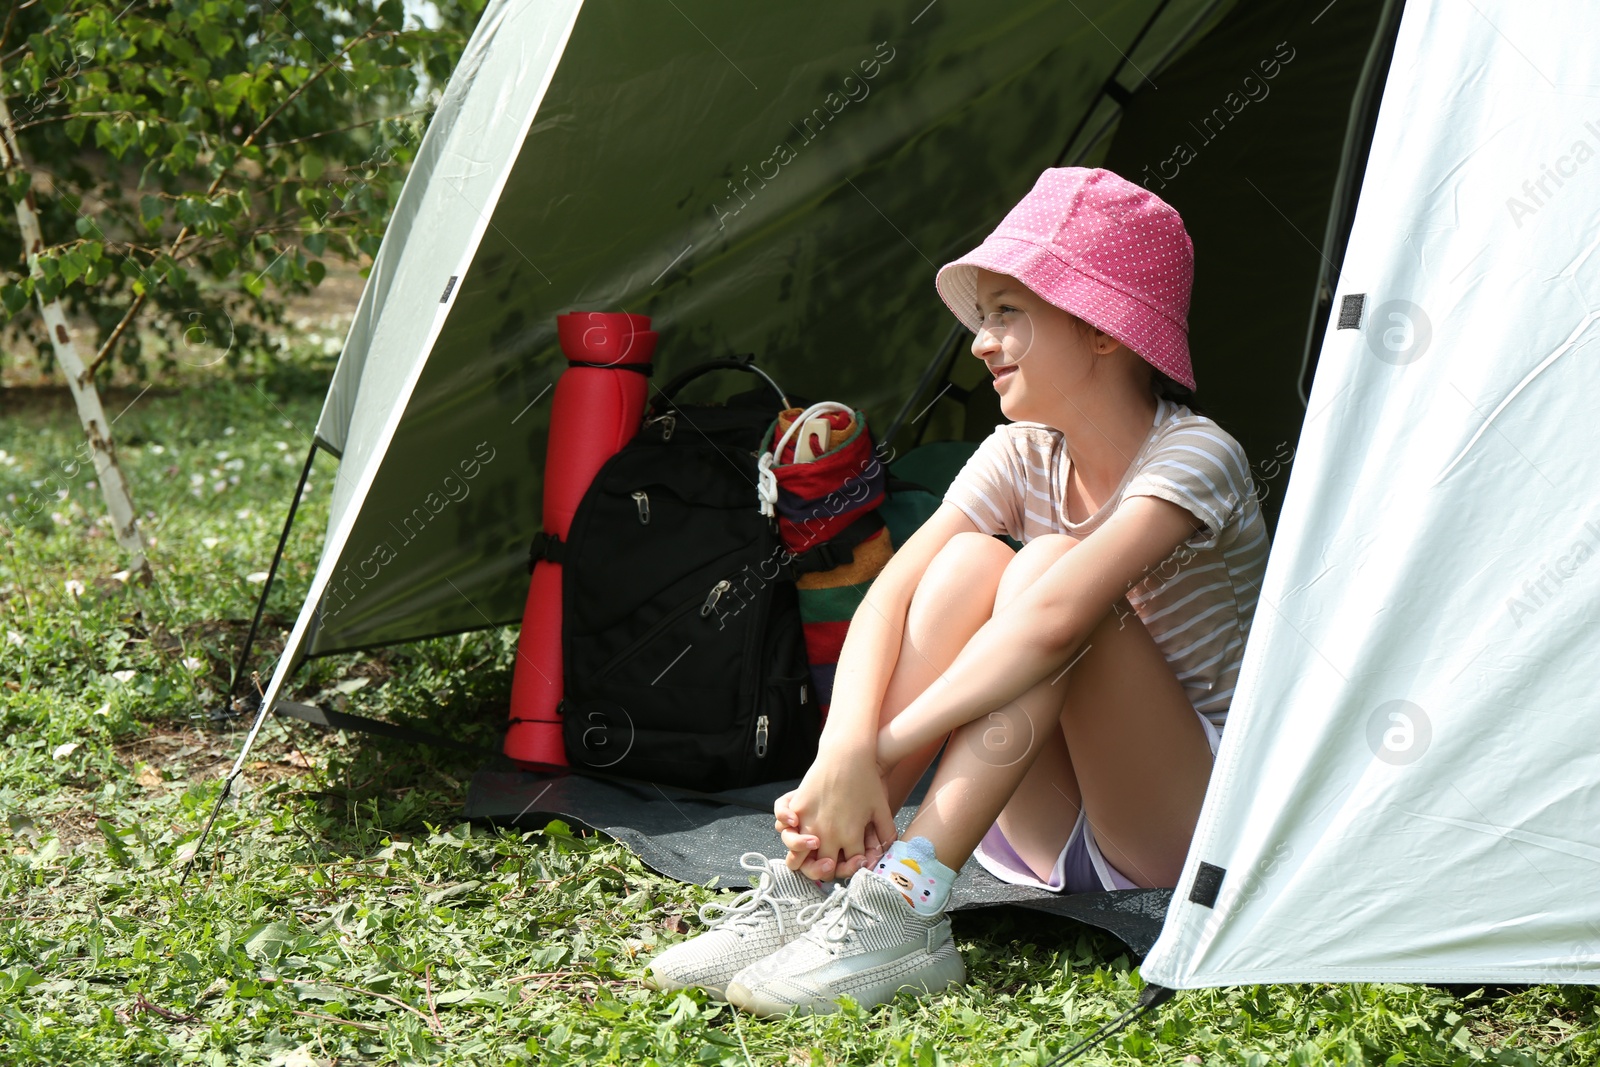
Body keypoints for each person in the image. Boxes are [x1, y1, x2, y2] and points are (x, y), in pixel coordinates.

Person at [645, 166, 1270, 1016]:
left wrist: (881, 743)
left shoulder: (1197, 456)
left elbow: (1055, 619)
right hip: (1041, 825)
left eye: (1008, 312)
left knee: (1044, 570)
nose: (981, 341)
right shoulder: (1020, 451)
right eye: (986, 318)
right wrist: (843, 751)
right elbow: (888, 596)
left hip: (1183, 822)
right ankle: (822, 877)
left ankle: (905, 905)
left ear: (1103, 330)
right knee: (966, 563)